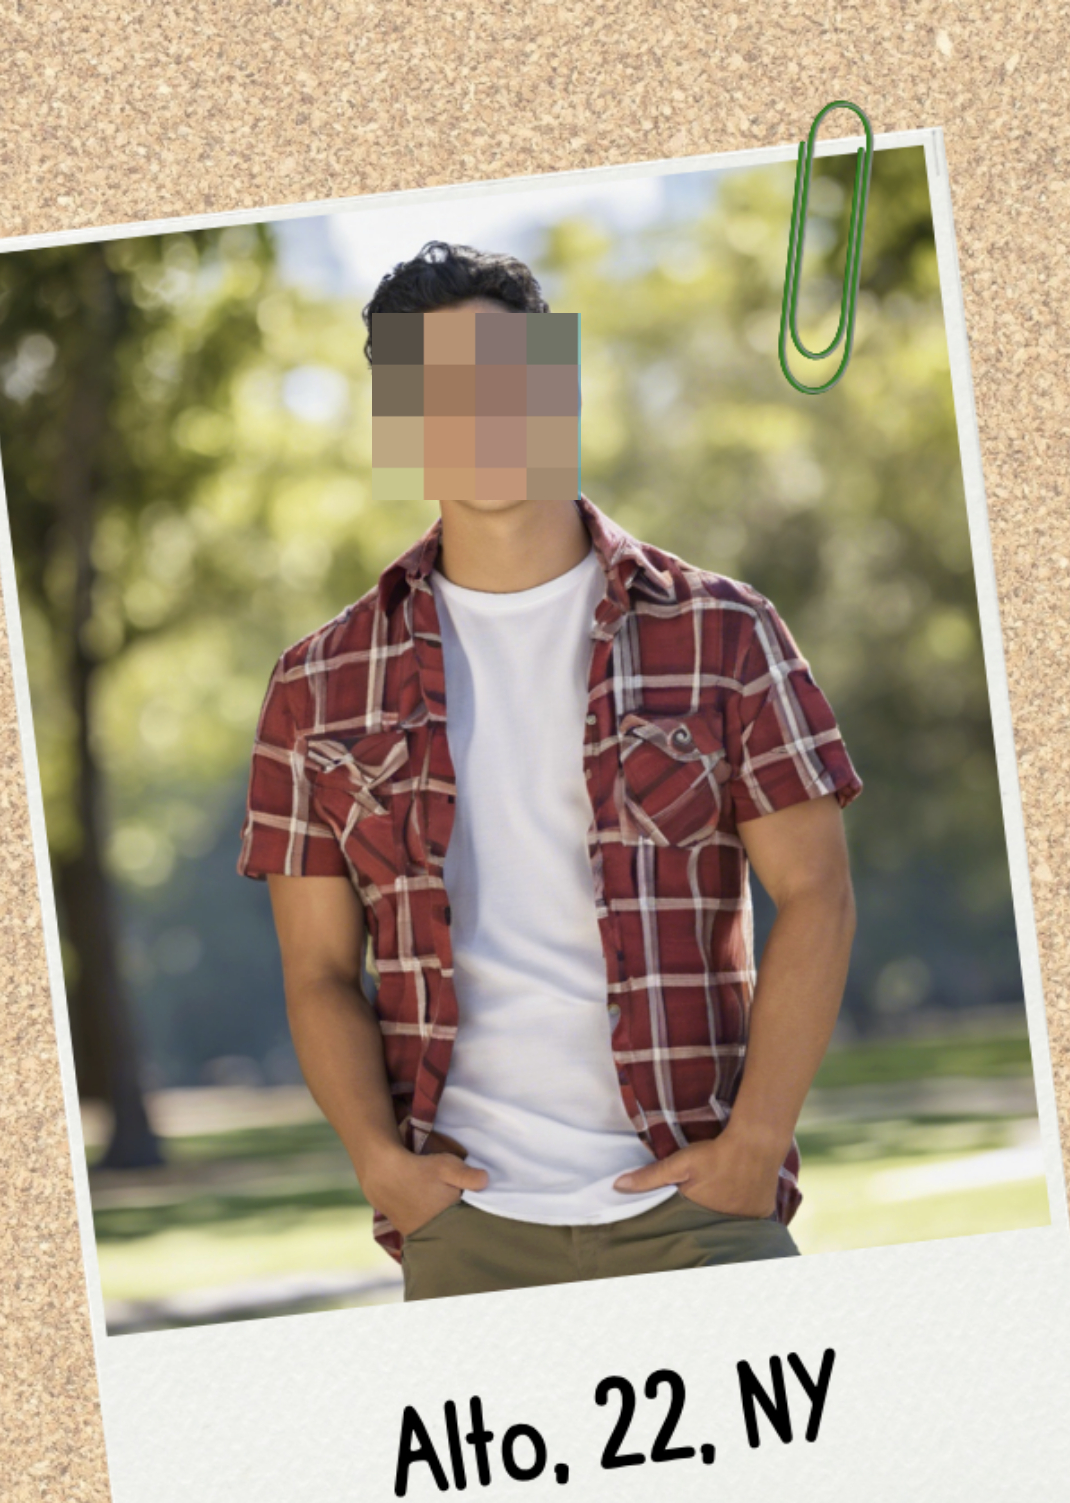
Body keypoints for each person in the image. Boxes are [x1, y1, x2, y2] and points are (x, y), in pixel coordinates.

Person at [241, 241, 861, 1301]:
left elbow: (816, 893)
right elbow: (318, 973)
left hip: (700, 1211)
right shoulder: (319, 684)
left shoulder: (721, 632)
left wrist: (758, 1140)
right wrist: (381, 1168)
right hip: (468, 1234)